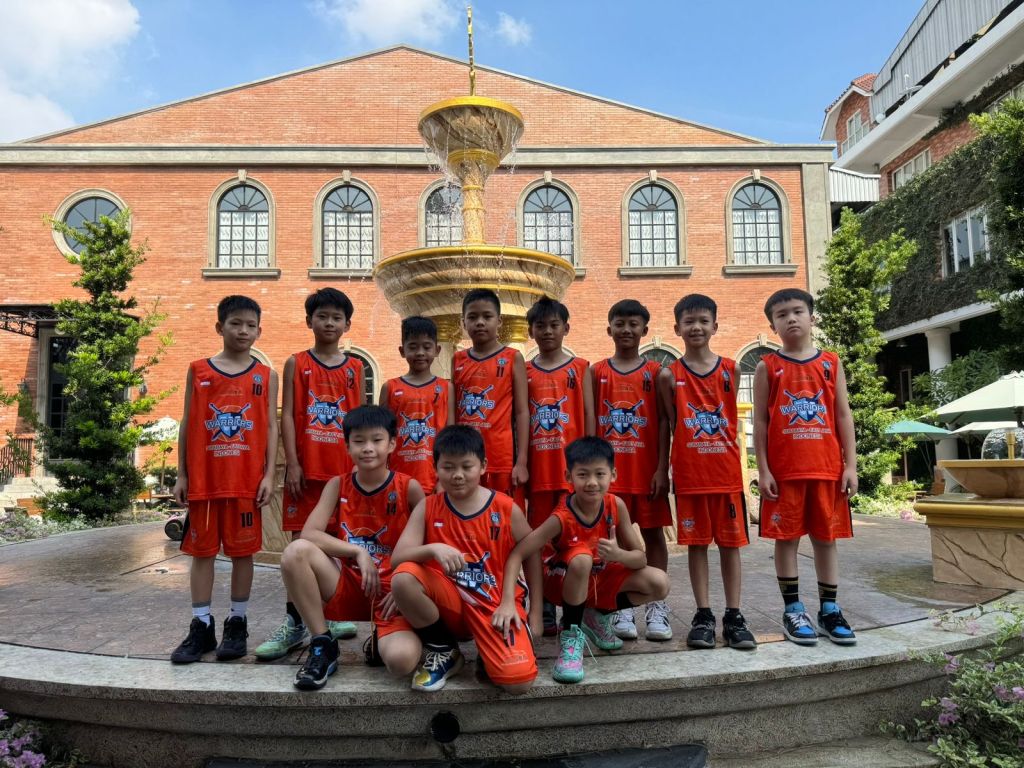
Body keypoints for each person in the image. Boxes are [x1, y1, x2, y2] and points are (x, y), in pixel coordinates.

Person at [495, 437, 669, 684]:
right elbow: (517, 553)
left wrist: (618, 555)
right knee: (582, 558)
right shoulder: (562, 517)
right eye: (583, 475)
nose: (592, 482)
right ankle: (570, 636)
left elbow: (640, 558)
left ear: (613, 475)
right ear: (569, 476)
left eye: (600, 474)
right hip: (561, 581)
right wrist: (517, 604)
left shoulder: (615, 505)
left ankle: (594, 616)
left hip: (595, 581)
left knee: (660, 582)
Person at [279, 405, 426, 690]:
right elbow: (309, 533)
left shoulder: (409, 488)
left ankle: (385, 637)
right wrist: (358, 552)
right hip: (348, 584)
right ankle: (322, 643)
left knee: (401, 662)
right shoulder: (338, 485)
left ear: (392, 444)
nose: (368, 448)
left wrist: (409, 588)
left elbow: (430, 543)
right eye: (359, 441)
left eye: (376, 440)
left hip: (392, 593)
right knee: (295, 552)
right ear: (347, 446)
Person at [391, 425, 542, 693]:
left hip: (494, 604)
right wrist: (433, 548)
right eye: (448, 467)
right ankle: (444, 650)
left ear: (483, 466)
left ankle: (492, 649)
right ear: (436, 468)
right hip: (450, 603)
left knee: (519, 682)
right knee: (404, 577)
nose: (457, 475)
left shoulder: (505, 507)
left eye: (466, 466)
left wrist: (536, 613)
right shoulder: (428, 506)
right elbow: (398, 558)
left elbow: (532, 552)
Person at [255, 287, 362, 661]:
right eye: (322, 316)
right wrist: (294, 463)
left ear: (347, 324)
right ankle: (295, 621)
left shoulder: (355, 368)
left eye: (337, 317)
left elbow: (357, 421)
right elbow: (287, 414)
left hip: (341, 473)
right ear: (309, 321)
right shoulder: (296, 363)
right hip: (307, 472)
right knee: (298, 545)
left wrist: (356, 470)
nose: (329, 323)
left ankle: (331, 614)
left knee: (336, 543)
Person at [170, 295, 278, 663]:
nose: (243, 331)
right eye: (236, 323)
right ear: (220, 327)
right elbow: (188, 422)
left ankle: (237, 622)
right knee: (201, 554)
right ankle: (201, 625)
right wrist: (182, 473)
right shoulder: (199, 370)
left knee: (242, 553)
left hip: (246, 481)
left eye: (251, 325)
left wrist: (268, 474)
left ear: (259, 331)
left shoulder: (266, 376)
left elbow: (271, 426)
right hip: (205, 481)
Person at [754, 288, 858, 646]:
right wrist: (763, 470)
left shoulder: (830, 362)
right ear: (773, 325)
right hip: (785, 473)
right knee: (786, 541)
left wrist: (850, 465)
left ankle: (829, 610)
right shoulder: (768, 367)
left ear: (812, 318)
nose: (791, 319)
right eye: (782, 315)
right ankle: (793, 610)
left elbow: (843, 415)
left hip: (827, 470)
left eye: (798, 311)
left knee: (826, 540)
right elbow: (761, 423)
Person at [659, 294, 756, 651]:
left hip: (726, 474)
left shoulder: (732, 369)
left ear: (715, 326)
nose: (696, 327)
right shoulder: (669, 375)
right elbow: (670, 425)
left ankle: (734, 614)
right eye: (689, 321)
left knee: (731, 546)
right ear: (677, 328)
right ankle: (703, 615)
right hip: (690, 475)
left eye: (703, 321)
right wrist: (663, 469)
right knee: (696, 545)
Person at [591, 299, 672, 642]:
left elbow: (666, 422)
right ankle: (621, 603)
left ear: (645, 330)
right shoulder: (596, 372)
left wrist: (662, 468)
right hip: (609, 477)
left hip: (645, 471)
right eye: (620, 323)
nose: (626, 330)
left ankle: (657, 606)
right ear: (609, 329)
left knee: (653, 535)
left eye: (633, 324)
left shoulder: (657, 373)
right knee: (615, 540)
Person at [524, 296, 595, 636]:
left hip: (572, 473)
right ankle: (545, 606)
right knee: (540, 542)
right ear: (531, 331)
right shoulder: (524, 371)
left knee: (575, 540)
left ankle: (579, 607)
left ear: (566, 328)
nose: (548, 331)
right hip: (538, 471)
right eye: (540, 326)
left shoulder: (580, 367)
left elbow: (590, 416)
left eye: (554, 325)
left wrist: (591, 463)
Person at [453, 288, 529, 508]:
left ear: (499, 321)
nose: (480, 322)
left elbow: (522, 412)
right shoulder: (457, 359)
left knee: (504, 514)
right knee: (468, 512)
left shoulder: (513, 358)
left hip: (501, 458)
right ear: (463, 323)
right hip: (465, 456)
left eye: (487, 316)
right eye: (472, 317)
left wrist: (521, 461)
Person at [379, 316, 454, 495]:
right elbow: (381, 434)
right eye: (413, 347)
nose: (420, 353)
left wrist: (445, 477)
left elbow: (450, 435)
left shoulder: (446, 387)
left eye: (427, 347)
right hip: (398, 476)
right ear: (402, 351)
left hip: (434, 479)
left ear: (437, 350)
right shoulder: (390, 387)